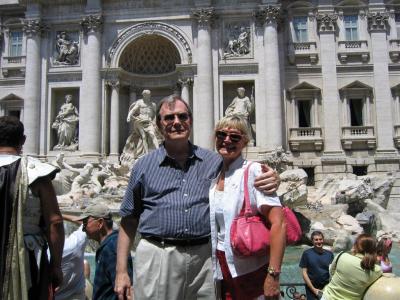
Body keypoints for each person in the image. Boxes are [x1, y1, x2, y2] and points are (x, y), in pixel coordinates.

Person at [115, 95, 279, 300]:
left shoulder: (214, 161)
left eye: (182, 116)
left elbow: (243, 169)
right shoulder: (143, 166)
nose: (176, 122)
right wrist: (121, 272)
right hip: (159, 254)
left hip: (204, 258)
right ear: (158, 125)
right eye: (169, 118)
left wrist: (272, 176)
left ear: (190, 121)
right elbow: (129, 220)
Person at [209, 115, 286, 299]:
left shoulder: (254, 171)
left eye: (234, 137)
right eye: (221, 134)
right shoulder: (214, 174)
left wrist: (273, 275)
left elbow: (279, 224)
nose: (226, 140)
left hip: (251, 268)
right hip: (221, 264)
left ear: (245, 142)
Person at [0, 116, 65, 299]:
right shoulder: (37, 172)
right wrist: (57, 265)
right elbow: (55, 222)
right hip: (27, 260)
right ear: (23, 140)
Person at [77, 204, 133, 300]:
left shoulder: (112, 249)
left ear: (100, 223)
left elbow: (123, 291)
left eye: (85, 223)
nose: (83, 228)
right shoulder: (112, 244)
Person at [321, 234, 382, 300]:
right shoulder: (377, 270)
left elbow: (331, 272)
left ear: (355, 245)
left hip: (328, 297)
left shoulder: (341, 256)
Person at [120, 89, 159, 166]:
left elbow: (156, 114)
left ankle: (158, 151)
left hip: (149, 122)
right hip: (140, 120)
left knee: (152, 134)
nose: (146, 96)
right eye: (145, 95)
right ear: (143, 95)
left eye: (148, 95)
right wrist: (129, 116)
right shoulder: (139, 102)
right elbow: (133, 110)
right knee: (143, 137)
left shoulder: (153, 104)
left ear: (149, 96)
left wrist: (155, 122)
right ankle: (146, 153)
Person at [54, 214, 88, 300]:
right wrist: (61, 215)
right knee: (85, 264)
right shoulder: (74, 244)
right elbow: (85, 223)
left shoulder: (42, 251)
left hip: (54, 296)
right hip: (76, 295)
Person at [299, 231, 334, 300]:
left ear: (323, 240)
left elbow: (332, 271)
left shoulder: (330, 254)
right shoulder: (307, 254)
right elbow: (304, 273)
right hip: (311, 289)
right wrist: (313, 289)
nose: (319, 241)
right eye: (316, 240)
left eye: (320, 239)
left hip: (326, 287)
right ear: (312, 241)